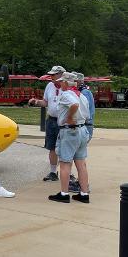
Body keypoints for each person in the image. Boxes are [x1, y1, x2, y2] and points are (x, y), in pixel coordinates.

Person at [48, 72, 90, 203]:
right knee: (81, 164)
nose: (59, 83)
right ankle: (84, 194)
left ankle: (64, 193)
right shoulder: (81, 95)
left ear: (66, 83)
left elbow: (74, 105)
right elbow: (86, 114)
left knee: (65, 163)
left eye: (61, 81)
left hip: (70, 131)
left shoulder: (67, 94)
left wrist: (70, 117)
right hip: (82, 130)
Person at [29, 65, 65, 182]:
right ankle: (53, 172)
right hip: (51, 120)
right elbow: (45, 102)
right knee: (52, 147)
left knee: (65, 148)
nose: (51, 77)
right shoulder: (49, 85)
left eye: (53, 75)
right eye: (51, 75)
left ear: (61, 75)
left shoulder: (66, 87)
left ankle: (68, 173)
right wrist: (36, 102)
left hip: (63, 122)